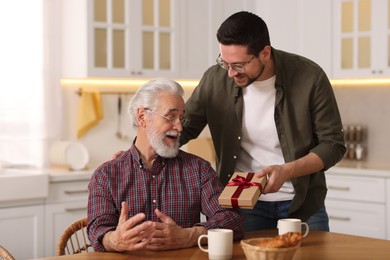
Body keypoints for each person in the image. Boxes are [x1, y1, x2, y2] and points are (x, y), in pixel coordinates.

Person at [179, 11, 346, 232]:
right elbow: (183, 127)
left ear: (265, 53)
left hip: (303, 204)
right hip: (242, 204)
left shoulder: (309, 77)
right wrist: (138, 152)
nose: (230, 73)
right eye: (224, 62)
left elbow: (333, 144)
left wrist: (287, 170)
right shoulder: (214, 79)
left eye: (239, 65)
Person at [87, 78, 244, 252]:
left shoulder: (198, 169)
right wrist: (114, 239)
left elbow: (232, 220)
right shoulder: (106, 175)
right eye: (170, 117)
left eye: (181, 118)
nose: (179, 127)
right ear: (142, 117)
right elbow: (97, 230)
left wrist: (189, 236)